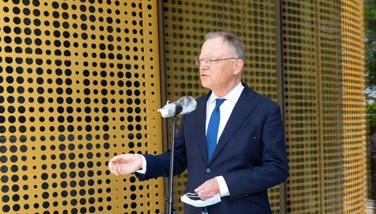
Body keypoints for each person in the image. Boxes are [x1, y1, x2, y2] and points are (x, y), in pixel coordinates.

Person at [108, 31, 289, 214]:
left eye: (211, 60)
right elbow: (178, 159)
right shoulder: (193, 107)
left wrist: (222, 184)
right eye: (201, 60)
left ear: (236, 66)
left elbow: (276, 168)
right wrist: (141, 161)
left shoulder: (265, 109)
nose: (203, 66)